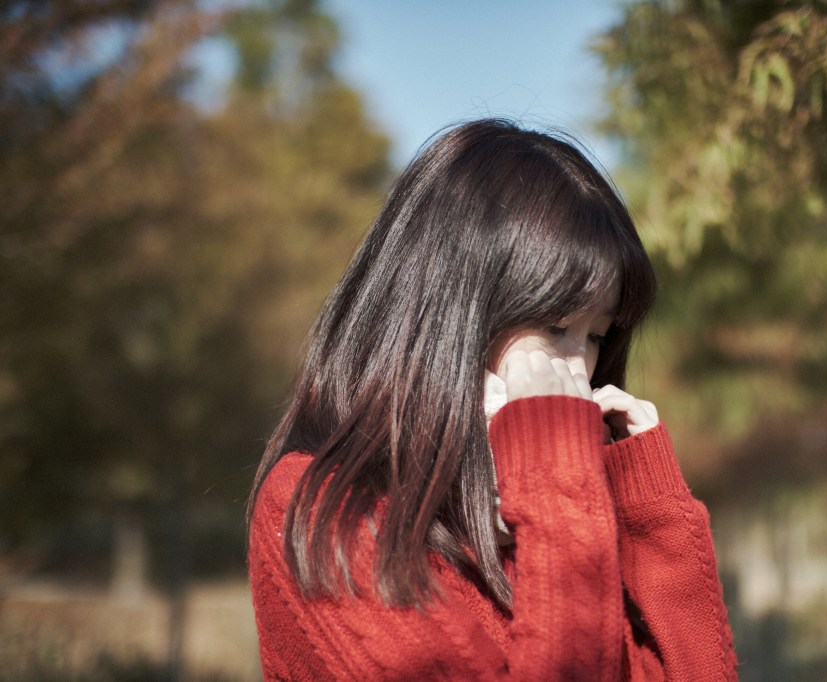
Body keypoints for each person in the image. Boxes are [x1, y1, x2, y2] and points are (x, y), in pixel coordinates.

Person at [247, 118, 738, 680]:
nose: (576, 369)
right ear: (453, 317)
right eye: (555, 327)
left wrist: (655, 524)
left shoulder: (554, 508)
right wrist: (558, 487)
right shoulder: (323, 510)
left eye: (597, 336)